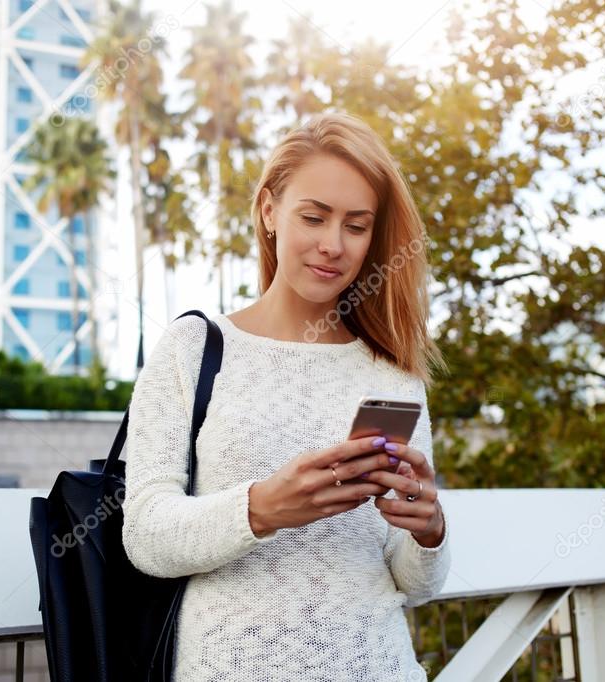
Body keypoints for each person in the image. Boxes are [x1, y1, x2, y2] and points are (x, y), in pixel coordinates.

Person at [122, 111, 452, 681]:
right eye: (314, 217)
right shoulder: (194, 347)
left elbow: (413, 586)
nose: (332, 245)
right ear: (270, 212)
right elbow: (145, 535)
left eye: (356, 225)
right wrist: (262, 508)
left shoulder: (396, 375)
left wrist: (428, 532)